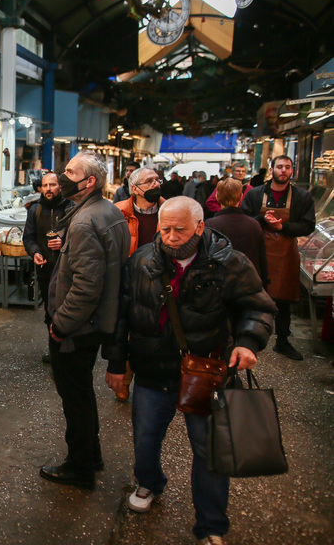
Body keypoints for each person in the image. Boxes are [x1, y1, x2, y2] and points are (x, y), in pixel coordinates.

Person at [104, 197, 276, 545]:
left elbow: (258, 308)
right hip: (152, 370)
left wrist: (247, 342)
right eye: (165, 229)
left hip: (207, 371)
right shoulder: (141, 262)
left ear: (200, 226)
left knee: (209, 449)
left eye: (179, 229)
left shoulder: (230, 263)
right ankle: (149, 483)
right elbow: (121, 315)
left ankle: (211, 524)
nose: (170, 236)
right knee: (146, 438)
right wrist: (117, 363)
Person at [40, 151, 130, 490]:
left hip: (79, 328)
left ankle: (80, 467)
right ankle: (90, 455)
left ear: (89, 181)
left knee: (74, 397)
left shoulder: (85, 220)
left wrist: (60, 323)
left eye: (69, 171)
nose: (61, 177)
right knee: (81, 394)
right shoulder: (107, 211)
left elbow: (87, 287)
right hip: (95, 323)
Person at [240, 155, 316, 361]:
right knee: (252, 296)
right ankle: (246, 340)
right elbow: (243, 218)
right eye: (279, 167)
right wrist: (261, 220)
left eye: (287, 167)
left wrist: (284, 227)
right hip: (258, 252)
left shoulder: (302, 197)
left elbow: (309, 225)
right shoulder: (255, 194)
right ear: (272, 169)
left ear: (292, 171)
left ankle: (282, 341)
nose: (283, 170)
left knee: (284, 300)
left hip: (285, 254)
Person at [113, 166, 165, 401]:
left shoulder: (169, 209)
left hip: (161, 280)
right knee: (126, 332)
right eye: (150, 181)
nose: (156, 184)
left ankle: (155, 383)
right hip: (129, 280)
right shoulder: (118, 212)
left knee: (157, 332)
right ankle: (124, 380)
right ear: (135, 188)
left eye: (158, 180)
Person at [22, 172, 74, 363]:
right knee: (50, 311)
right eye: (45, 185)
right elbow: (28, 238)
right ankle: (55, 352)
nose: (48, 189)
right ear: (40, 188)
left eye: (52, 185)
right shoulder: (34, 210)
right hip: (45, 271)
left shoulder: (71, 209)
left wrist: (64, 242)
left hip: (68, 270)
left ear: (60, 187)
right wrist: (35, 251)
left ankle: (69, 351)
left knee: (67, 310)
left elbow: (81, 237)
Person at [206, 178, 268, 287]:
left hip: (220, 285)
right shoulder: (254, 224)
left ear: (217, 197)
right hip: (250, 283)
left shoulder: (210, 225)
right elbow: (262, 259)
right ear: (241, 197)